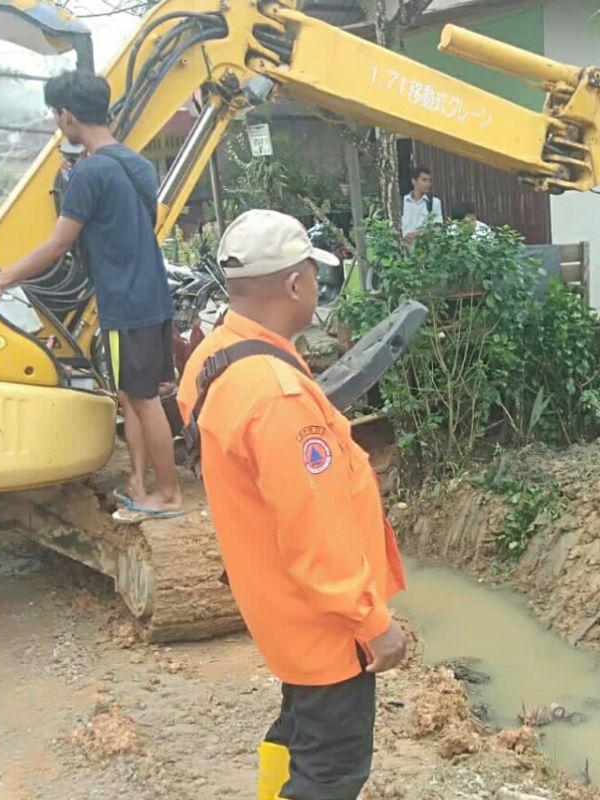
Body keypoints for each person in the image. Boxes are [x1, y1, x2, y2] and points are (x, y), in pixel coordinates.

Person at [177, 209, 407, 800]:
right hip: (322, 624)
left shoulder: (216, 356)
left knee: (298, 731)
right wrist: (373, 623)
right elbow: (317, 534)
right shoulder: (278, 398)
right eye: (311, 272)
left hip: (278, 606)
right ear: (295, 285)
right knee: (330, 772)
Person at [0, 71, 181, 522]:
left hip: (127, 302)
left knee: (143, 400)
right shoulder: (134, 163)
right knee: (130, 394)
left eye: (55, 114)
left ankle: (168, 494)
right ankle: (140, 484)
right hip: (151, 296)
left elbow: (57, 244)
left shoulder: (90, 171)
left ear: (66, 115)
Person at [400, 165, 443, 241]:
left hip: (424, 248)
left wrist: (418, 234)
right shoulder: (402, 202)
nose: (428, 183)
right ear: (414, 181)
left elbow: (437, 227)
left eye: (429, 180)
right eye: (424, 180)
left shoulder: (434, 202)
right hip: (403, 248)